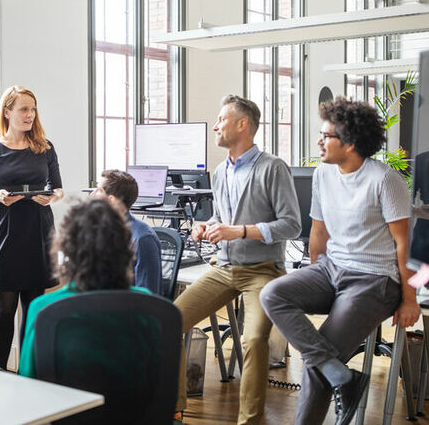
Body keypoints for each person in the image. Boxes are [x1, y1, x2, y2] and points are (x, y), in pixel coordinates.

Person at [260, 97, 421, 425]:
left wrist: (410, 299)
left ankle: (329, 375)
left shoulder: (385, 180)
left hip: (375, 279)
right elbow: (319, 230)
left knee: (314, 366)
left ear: (349, 143)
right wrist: (314, 270)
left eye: (326, 136)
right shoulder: (323, 175)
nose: (319, 142)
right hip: (332, 269)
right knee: (273, 294)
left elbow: (405, 245)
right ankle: (340, 374)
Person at [174, 95, 301, 425]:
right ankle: (174, 409)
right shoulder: (220, 173)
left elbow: (292, 224)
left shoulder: (272, 167)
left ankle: (251, 421)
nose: (215, 125)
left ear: (243, 125)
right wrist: (210, 227)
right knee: (169, 321)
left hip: (263, 271)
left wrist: (239, 231)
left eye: (221, 119)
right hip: (224, 268)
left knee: (255, 339)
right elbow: (222, 217)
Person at [0, 85, 63, 370]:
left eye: (33, 109)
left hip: (39, 233)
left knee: (32, 312)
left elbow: (58, 189)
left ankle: (26, 372)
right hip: (5, 236)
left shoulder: (44, 147)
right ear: (7, 112)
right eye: (24, 109)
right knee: (5, 310)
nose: (30, 115)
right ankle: (0, 372)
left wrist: (50, 198)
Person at [19, 197, 151, 378]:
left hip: (68, 406)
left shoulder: (43, 308)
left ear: (66, 251)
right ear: (126, 249)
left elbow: (30, 379)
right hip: (132, 407)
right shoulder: (148, 306)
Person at [94, 169, 162, 294]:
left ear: (111, 200)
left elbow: (147, 297)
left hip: (125, 309)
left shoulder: (142, 239)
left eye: (98, 190)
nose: (93, 194)